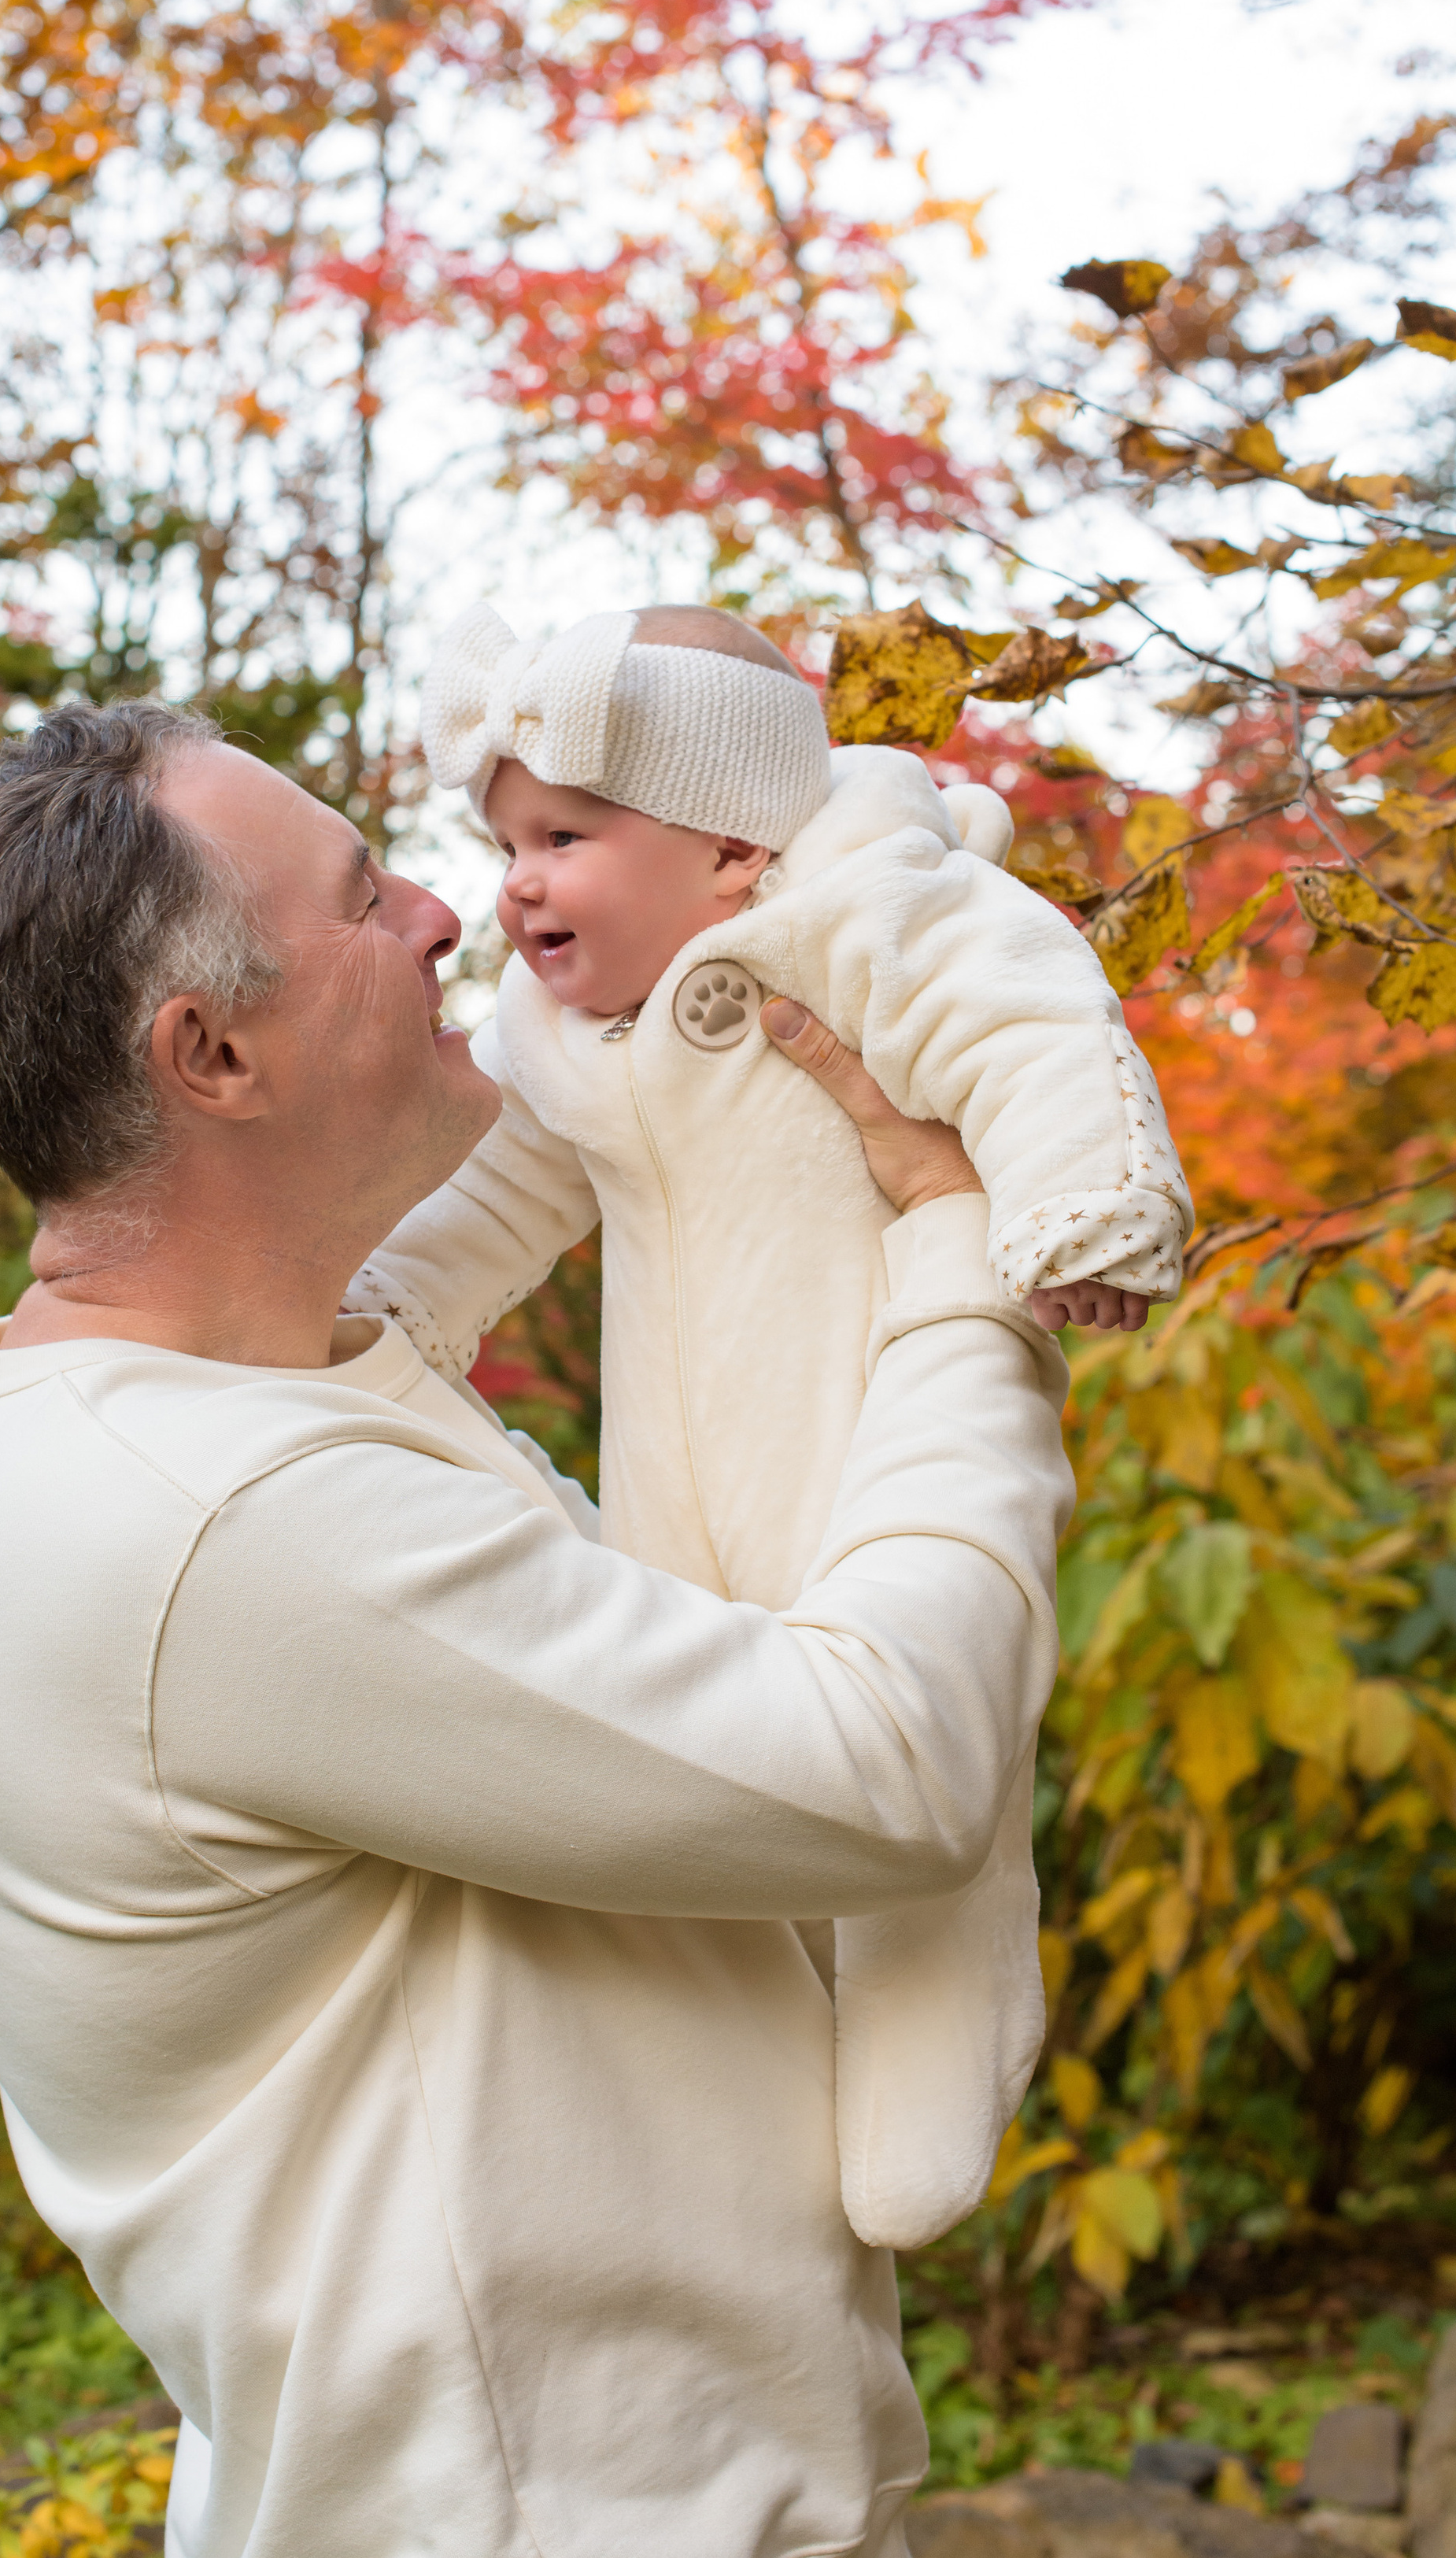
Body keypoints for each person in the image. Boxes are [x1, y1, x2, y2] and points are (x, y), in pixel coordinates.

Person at [0, 696, 1074, 2558]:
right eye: (361, 899)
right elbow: (885, 1762)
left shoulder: (237, 1422)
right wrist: (956, 1250)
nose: (447, 911)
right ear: (213, 1052)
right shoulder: (224, 1528)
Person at [349, 599, 1192, 2247]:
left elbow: (1026, 1022)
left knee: (915, 1733)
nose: (513, 882)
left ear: (734, 853)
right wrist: (377, 1311)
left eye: (564, 837)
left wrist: (1078, 1210)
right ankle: (738, 2043)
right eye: (503, 840)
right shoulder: (557, 1038)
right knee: (707, 1761)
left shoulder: (875, 909)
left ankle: (934, 2027)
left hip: (862, 1429)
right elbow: (497, 1195)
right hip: (671, 1494)